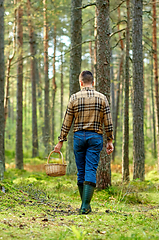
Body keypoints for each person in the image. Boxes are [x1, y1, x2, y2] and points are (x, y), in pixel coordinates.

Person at [53, 70, 114, 214]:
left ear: (81, 82)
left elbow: (67, 121)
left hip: (79, 137)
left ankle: (84, 204)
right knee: (90, 170)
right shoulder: (102, 98)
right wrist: (109, 140)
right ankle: (85, 205)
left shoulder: (74, 97)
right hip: (95, 138)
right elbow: (108, 122)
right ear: (93, 82)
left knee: (81, 171)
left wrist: (61, 141)